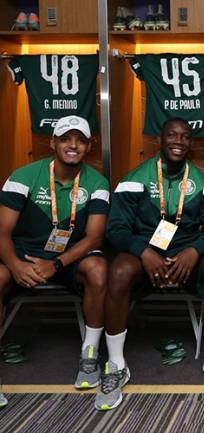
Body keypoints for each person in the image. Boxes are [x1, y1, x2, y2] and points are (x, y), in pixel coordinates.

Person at [97, 118, 204, 410]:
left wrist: (194, 251)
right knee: (120, 270)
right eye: (172, 135)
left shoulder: (202, 183)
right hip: (145, 254)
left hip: (187, 255)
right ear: (160, 140)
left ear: (191, 143)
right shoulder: (134, 179)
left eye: (185, 137)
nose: (179, 141)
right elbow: (116, 229)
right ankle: (115, 364)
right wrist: (144, 251)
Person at [0, 115, 110, 390]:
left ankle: (90, 353)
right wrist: (14, 265)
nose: (73, 145)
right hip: (24, 254)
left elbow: (95, 236)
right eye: (65, 138)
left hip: (69, 256)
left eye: (80, 140)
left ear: (89, 146)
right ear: (53, 142)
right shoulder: (24, 176)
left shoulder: (97, 183)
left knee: (98, 269)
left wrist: (56, 264)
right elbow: (1, 231)